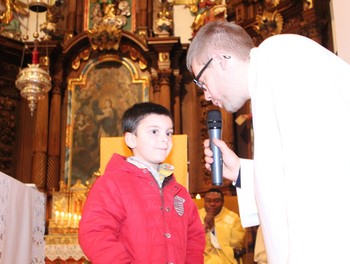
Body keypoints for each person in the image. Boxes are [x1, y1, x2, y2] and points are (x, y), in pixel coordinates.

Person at [186, 20, 350, 263]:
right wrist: (240, 171)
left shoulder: (281, 56)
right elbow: (290, 174)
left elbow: (319, 180)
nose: (206, 95)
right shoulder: (268, 76)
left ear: (220, 59)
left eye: (201, 81)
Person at [78, 102, 205, 263]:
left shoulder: (179, 192)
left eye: (169, 133)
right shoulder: (112, 183)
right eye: (154, 131)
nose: (164, 139)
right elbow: (95, 233)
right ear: (131, 139)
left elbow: (194, 237)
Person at [199, 188, 245, 264]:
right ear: (204, 201)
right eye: (208, 200)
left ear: (223, 202)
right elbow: (189, 239)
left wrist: (213, 230)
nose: (212, 204)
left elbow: (236, 244)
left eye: (216, 201)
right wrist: (204, 229)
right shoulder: (196, 216)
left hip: (224, 258)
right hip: (200, 255)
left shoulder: (233, 218)